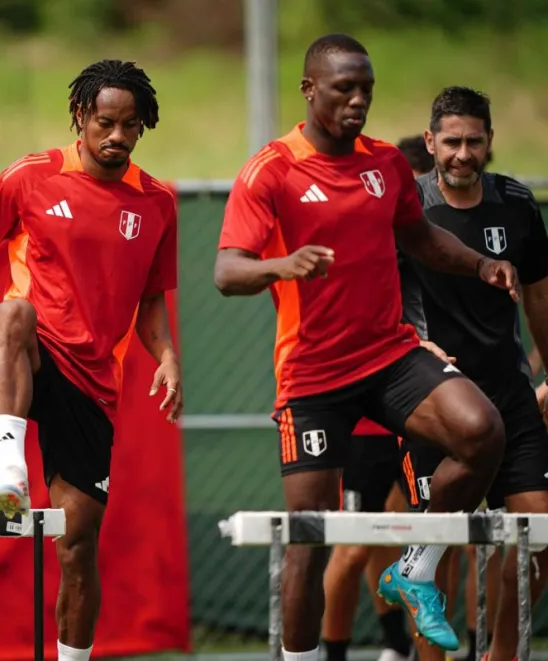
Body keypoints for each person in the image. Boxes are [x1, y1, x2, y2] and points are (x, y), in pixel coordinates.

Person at [213, 34, 517, 661]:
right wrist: (284, 265)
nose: (358, 102)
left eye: (367, 90)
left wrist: (480, 265)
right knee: (310, 536)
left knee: (482, 431)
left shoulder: (383, 164)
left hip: (389, 356)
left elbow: (422, 239)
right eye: (344, 89)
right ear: (309, 89)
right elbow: (226, 272)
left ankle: (414, 566)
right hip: (313, 374)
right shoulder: (271, 169)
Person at [0, 59, 180, 661]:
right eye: (105, 122)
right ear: (80, 116)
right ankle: (10, 471)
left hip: (94, 381)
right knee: (12, 314)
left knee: (77, 546)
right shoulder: (33, 176)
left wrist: (168, 355)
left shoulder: (156, 204)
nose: (117, 137)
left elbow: (151, 298)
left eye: (130, 126)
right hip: (31, 353)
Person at [396, 86, 548, 661]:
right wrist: (412, 338)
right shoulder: (406, 208)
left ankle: (501, 654)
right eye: (451, 141)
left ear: (490, 142)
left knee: (541, 533)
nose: (462, 153)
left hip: (510, 397)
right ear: (431, 142)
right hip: (435, 403)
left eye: (474, 141)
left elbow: (538, 299)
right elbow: (377, 290)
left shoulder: (515, 202)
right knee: (437, 550)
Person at [320, 135, 434, 661]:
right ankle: (336, 651)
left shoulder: (437, 243)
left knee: (432, 541)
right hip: (367, 423)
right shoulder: (358, 239)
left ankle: (412, 646)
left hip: (426, 418)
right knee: (356, 543)